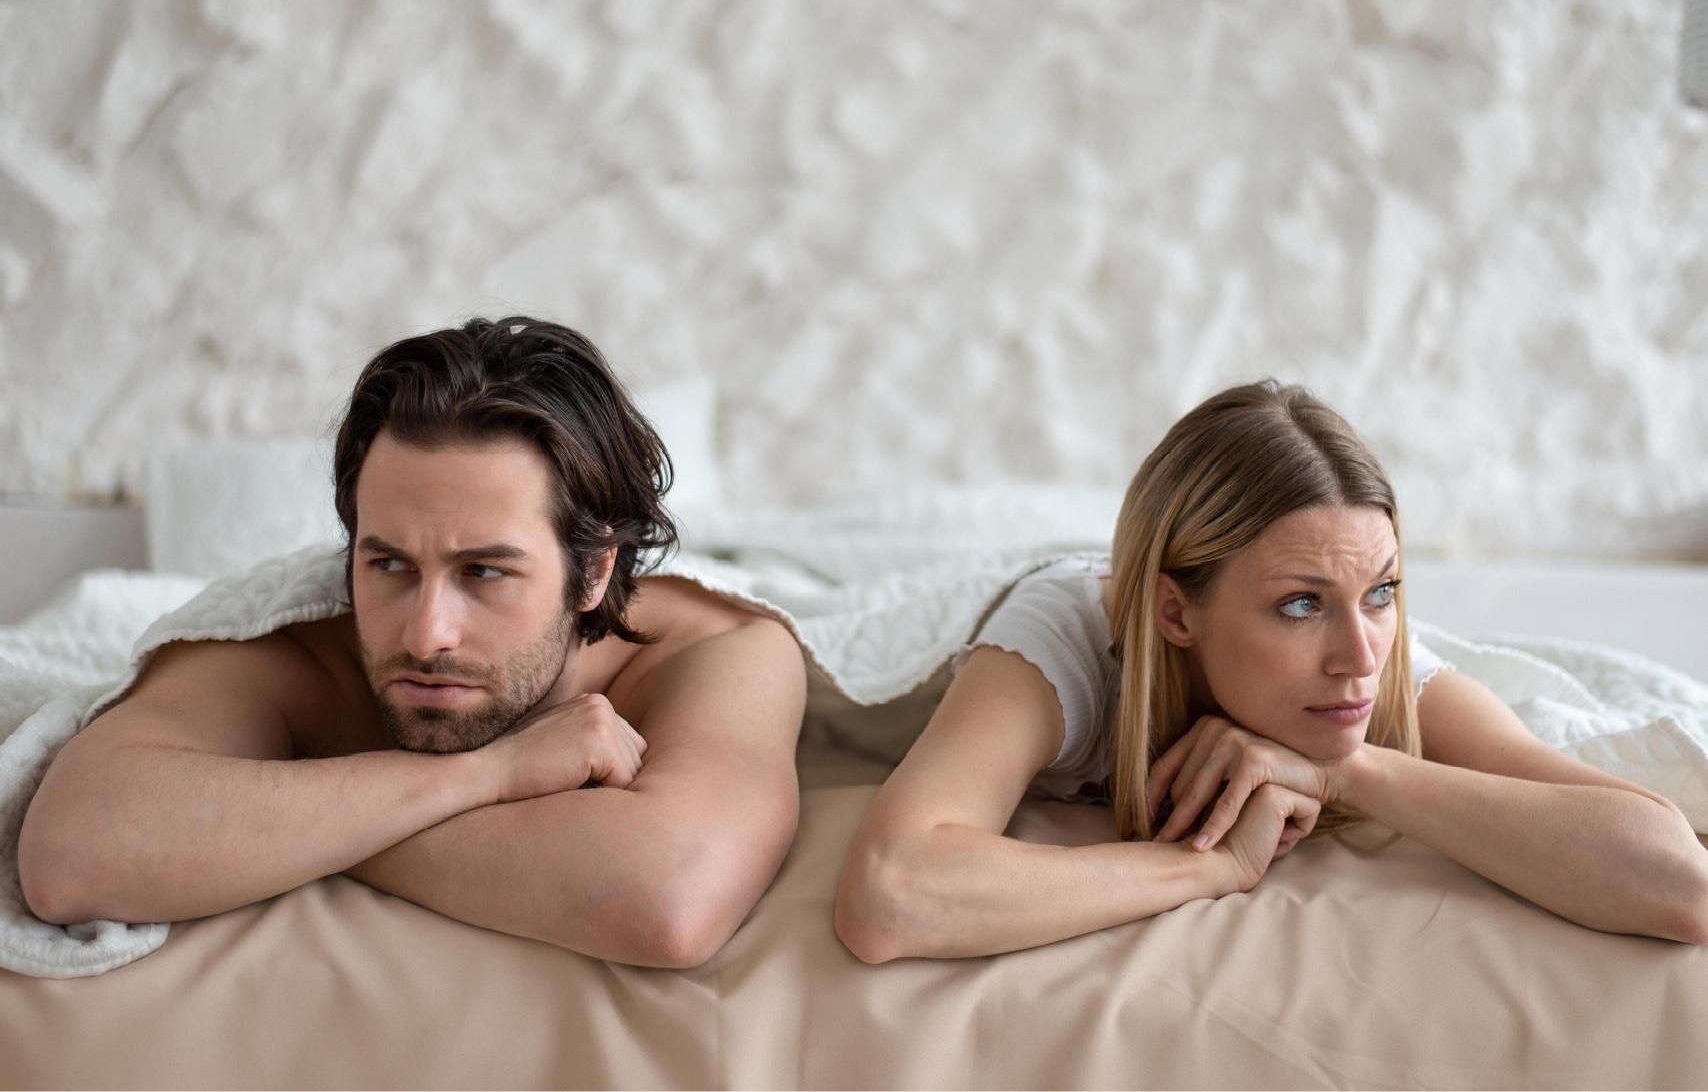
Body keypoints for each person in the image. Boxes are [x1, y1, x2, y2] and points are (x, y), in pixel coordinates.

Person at [20, 317, 806, 969]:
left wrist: (287, 824)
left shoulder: (715, 646)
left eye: (485, 572)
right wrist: (487, 774)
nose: (426, 633)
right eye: (390, 564)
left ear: (594, 570)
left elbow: (671, 898)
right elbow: (71, 853)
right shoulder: (299, 652)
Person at [834, 380, 1708, 961]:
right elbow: (891, 893)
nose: (1360, 657)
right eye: (1300, 604)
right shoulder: (1063, 639)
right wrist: (1209, 870)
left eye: (1383, 590)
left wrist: (1349, 770)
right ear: (1175, 612)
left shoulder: (1376, 660)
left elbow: (1683, 883)